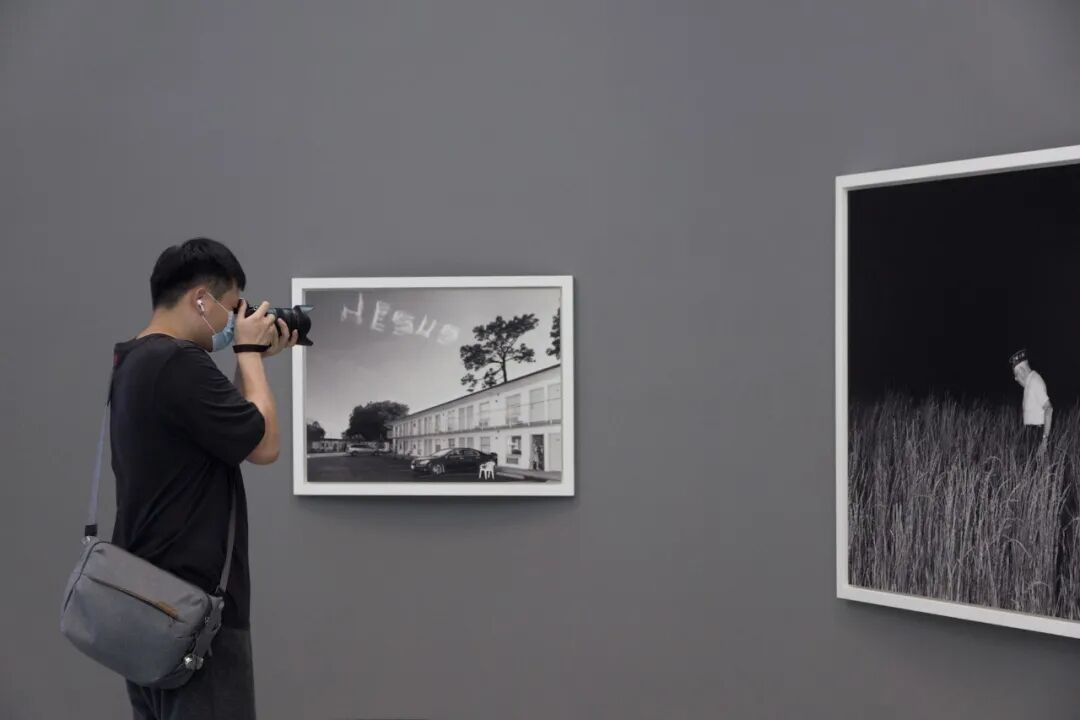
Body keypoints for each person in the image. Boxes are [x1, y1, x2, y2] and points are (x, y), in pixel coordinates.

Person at [110, 238, 297, 719]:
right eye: (233, 308)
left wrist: (248, 359)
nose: (235, 321)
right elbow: (264, 447)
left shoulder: (134, 360)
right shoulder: (179, 361)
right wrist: (249, 353)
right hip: (194, 615)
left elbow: (234, 430)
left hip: (144, 607)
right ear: (200, 299)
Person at [1009, 349, 1053, 456]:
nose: (1016, 379)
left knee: (1036, 464)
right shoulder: (1030, 383)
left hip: (1037, 434)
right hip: (1030, 433)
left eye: (1016, 374)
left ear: (1022, 370)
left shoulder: (1035, 381)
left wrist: (1044, 441)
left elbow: (1049, 408)